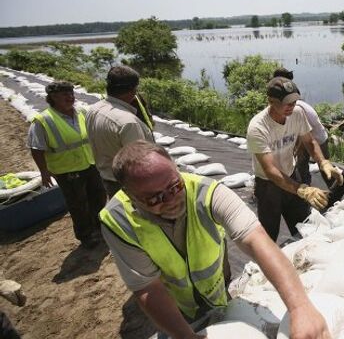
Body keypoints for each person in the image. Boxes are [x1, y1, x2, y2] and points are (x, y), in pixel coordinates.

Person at [100, 141, 331, 339]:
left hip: (215, 287)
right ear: (130, 196)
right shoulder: (118, 220)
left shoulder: (207, 192)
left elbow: (256, 240)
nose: (171, 200)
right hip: (174, 305)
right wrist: (185, 336)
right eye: (155, 198)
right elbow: (148, 287)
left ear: (176, 169)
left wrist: (300, 307)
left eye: (175, 186)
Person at [246, 76, 343, 241]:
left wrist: (323, 162)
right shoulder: (258, 127)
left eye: (294, 101)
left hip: (291, 174)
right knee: (268, 235)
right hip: (268, 186)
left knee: (305, 226)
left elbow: (309, 141)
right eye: (286, 103)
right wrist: (303, 189)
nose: (291, 106)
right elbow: (270, 171)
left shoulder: (297, 113)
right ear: (271, 100)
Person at [27, 81, 106, 248]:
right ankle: (86, 235)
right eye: (65, 95)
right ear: (53, 98)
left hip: (90, 164)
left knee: (98, 196)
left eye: (71, 93)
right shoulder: (43, 121)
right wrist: (44, 172)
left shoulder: (82, 112)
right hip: (67, 170)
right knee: (78, 204)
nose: (70, 97)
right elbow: (36, 148)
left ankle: (100, 226)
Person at [86, 65, 154, 197]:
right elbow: (138, 162)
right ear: (133, 90)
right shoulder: (128, 122)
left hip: (107, 178)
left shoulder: (93, 109)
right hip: (129, 185)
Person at [272, 68, 330, 186]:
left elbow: (303, 134)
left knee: (325, 170)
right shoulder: (291, 104)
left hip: (317, 138)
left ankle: (334, 193)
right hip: (308, 136)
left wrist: (295, 149)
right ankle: (305, 189)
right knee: (302, 166)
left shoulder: (295, 109)